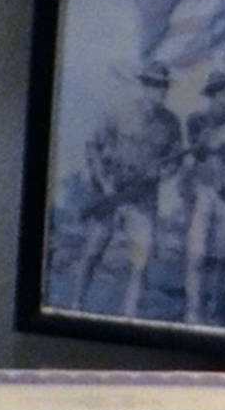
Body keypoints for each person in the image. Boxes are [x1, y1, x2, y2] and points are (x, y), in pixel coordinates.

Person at [68, 62, 183, 318]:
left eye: (163, 86)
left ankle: (129, 316)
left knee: (140, 261)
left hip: (143, 198)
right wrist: (104, 182)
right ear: (144, 86)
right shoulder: (120, 112)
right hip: (112, 190)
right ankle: (75, 306)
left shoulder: (172, 124)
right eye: (154, 85)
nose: (160, 91)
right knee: (93, 251)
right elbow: (93, 147)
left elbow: (176, 161)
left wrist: (164, 173)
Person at [181, 69, 225, 324]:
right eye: (222, 92)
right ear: (213, 94)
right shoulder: (197, 120)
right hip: (203, 191)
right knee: (196, 254)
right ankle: (193, 309)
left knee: (222, 257)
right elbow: (210, 145)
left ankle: (213, 307)